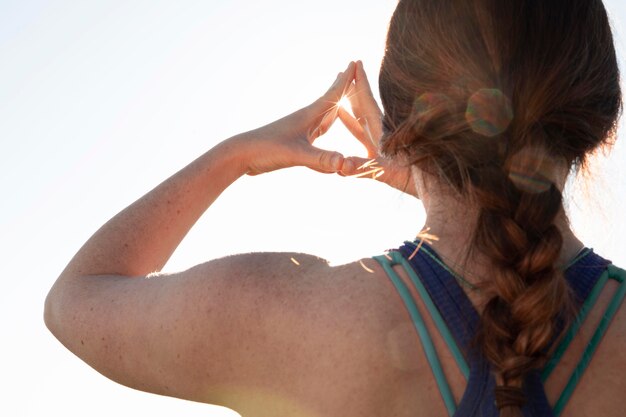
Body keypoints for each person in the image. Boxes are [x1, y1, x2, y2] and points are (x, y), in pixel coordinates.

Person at [45, 0, 626, 416]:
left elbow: (76, 298)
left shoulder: (283, 316)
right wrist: (436, 180)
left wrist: (237, 155)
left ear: (399, 124)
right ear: (600, 118)